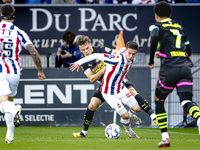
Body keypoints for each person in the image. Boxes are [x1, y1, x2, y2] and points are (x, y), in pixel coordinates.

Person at [71, 36, 158, 138]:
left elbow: (116, 53)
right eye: (83, 50)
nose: (86, 51)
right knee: (92, 105)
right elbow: (91, 79)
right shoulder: (84, 62)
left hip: (119, 79)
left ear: (90, 44)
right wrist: (104, 70)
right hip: (105, 85)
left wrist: (120, 52)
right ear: (79, 49)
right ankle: (83, 133)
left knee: (132, 91)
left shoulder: (101, 50)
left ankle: (144, 114)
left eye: (87, 48)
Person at [148, 1, 200, 148]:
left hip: (170, 68)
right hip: (185, 68)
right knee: (186, 101)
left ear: (156, 15)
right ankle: (199, 117)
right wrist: (165, 52)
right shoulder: (180, 27)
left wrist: (151, 59)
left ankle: (165, 138)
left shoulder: (156, 26)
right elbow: (188, 51)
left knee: (159, 100)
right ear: (170, 15)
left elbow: (154, 39)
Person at [0, 4, 46, 144]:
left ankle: (14, 109)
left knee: (4, 104)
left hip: (1, 72)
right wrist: (40, 70)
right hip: (15, 73)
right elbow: (33, 51)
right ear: (13, 16)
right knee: (9, 101)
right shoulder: (19, 32)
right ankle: (10, 135)